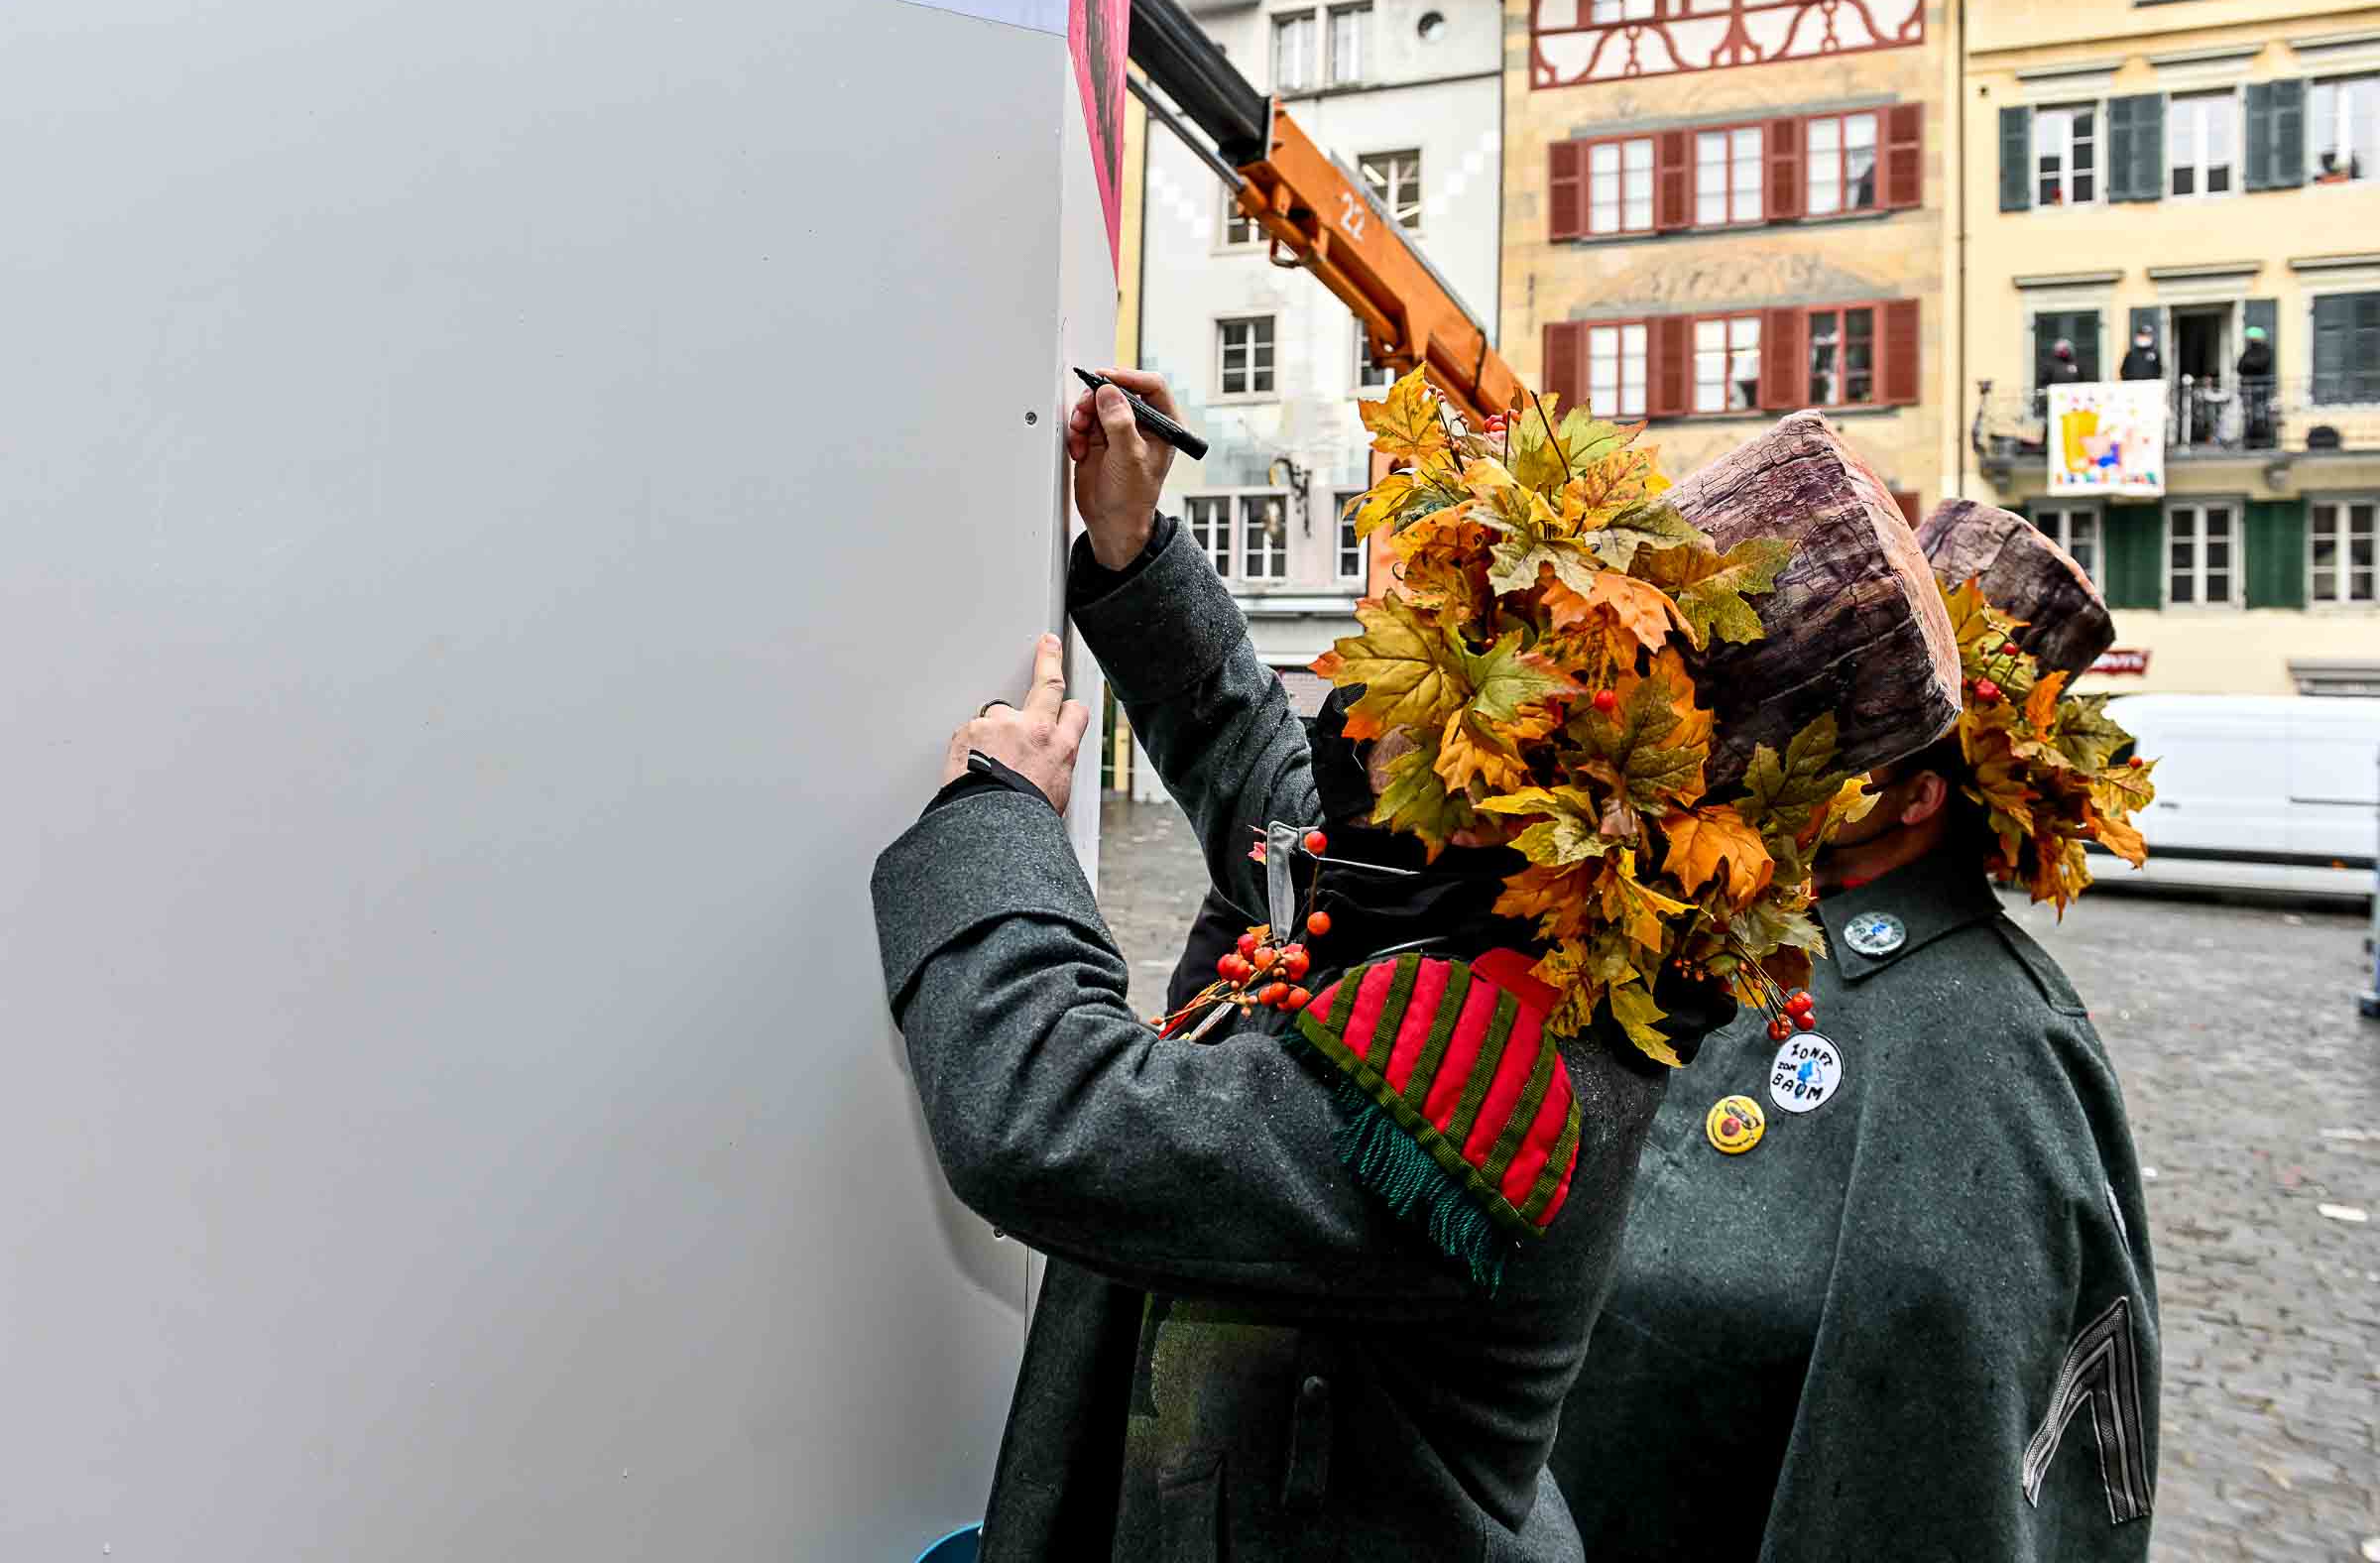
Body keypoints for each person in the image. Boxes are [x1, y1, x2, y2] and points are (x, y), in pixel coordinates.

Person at [870, 368, 1742, 1560]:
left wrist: (996, 820)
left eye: (1444, 649)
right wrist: (1134, 549)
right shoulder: (1462, 879)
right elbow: (1253, 760)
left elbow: (1055, 1117)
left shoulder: (1494, 1081)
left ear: (1540, 751)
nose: (1373, 680)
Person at [1546, 513, 2162, 1560]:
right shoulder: (1732, 925)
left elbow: (1930, 1468)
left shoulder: (1993, 1037)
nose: (1779, 746)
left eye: (1833, 731)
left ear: (1920, 796)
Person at [2237, 323, 2276, 448]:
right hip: (2249, 388)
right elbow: (2240, 367)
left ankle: (2261, 440)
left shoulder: (2265, 351)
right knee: (2249, 415)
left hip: (2261, 388)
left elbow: (2260, 364)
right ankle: (2251, 441)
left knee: (2261, 414)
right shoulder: (2248, 352)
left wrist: (2249, 365)